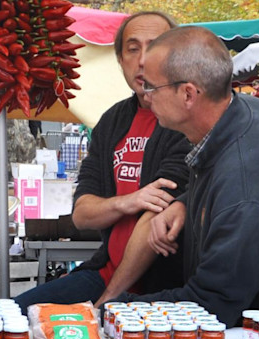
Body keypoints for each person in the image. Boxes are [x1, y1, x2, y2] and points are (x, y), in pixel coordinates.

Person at [106, 26, 259, 327]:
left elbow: (212, 305)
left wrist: (112, 310)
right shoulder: (247, 111)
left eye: (151, 87)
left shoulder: (244, 179)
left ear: (188, 94)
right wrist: (185, 202)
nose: (145, 97)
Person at [14, 11, 191, 310]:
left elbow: (158, 213)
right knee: (15, 314)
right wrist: (129, 201)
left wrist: (107, 302)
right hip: (103, 273)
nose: (143, 59)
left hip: (161, 285)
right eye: (132, 49)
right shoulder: (112, 121)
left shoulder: (184, 118)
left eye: (155, 45)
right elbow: (82, 214)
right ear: (120, 61)